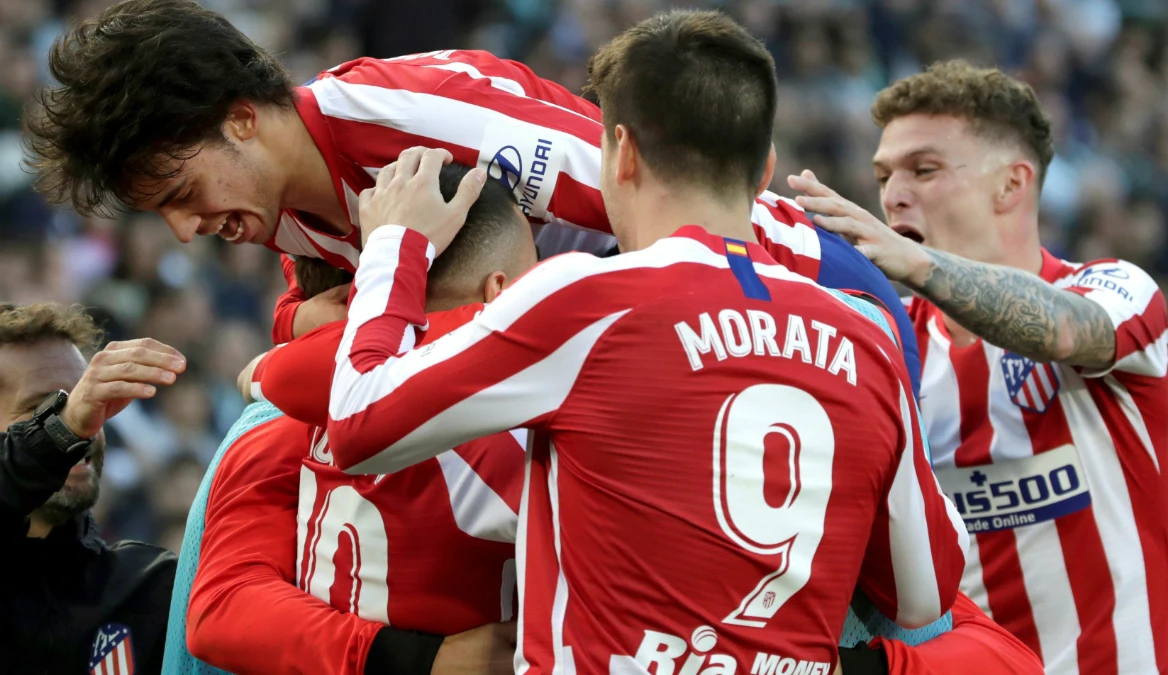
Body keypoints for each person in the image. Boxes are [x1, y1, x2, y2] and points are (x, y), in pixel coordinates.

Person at [325, 10, 967, 673]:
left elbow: (357, 418)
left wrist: (394, 246)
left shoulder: (584, 300)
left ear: (621, 152)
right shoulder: (866, 333)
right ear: (765, 166)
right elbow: (923, 596)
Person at [21, 0, 922, 398]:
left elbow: (667, 211)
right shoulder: (277, 201)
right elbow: (309, 313)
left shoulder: (406, 117)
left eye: (182, 193)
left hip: (810, 301)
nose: (187, 232)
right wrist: (305, 321)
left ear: (241, 120)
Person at [790, 60, 1168, 674]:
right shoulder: (889, 346)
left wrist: (914, 266)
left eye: (924, 169)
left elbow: (1063, 330)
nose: (892, 194)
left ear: (1012, 184)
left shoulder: (1115, 287)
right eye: (883, 175)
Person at [165, 165, 534, 675]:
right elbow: (224, 609)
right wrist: (420, 660)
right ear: (500, 290)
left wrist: (278, 350)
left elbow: (222, 610)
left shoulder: (288, 407)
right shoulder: (533, 408)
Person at [0, 303, 185, 674]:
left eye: (87, 397)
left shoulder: (153, 587)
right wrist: (61, 429)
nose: (86, 423)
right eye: (41, 407)